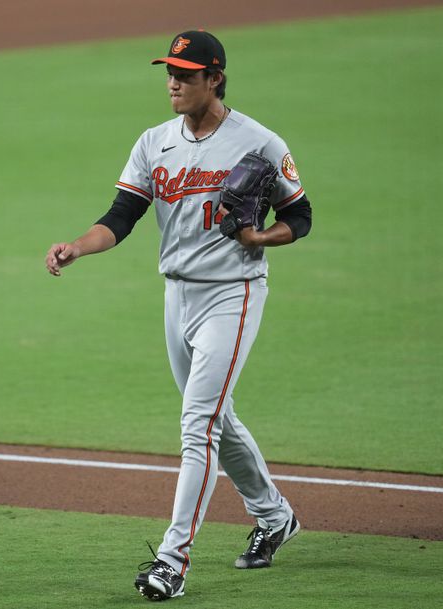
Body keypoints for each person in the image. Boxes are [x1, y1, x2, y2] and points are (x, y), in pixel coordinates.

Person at [45, 30, 312, 601]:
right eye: (170, 71)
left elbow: (302, 216)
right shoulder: (154, 142)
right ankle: (275, 516)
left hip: (233, 294)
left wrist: (260, 235)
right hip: (178, 297)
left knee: (197, 426)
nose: (173, 82)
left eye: (186, 74)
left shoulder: (259, 141)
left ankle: (172, 562)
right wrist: (76, 246)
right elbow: (121, 216)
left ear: (215, 78)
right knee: (216, 418)